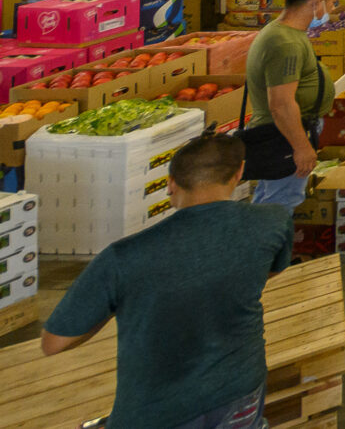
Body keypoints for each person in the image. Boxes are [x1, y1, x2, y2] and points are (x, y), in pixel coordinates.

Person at [40, 133, 293, 429]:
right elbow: (269, 271)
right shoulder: (273, 222)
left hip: (155, 413)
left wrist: (121, 302)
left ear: (171, 183)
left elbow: (54, 343)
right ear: (239, 173)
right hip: (240, 394)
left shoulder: (123, 257)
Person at [244, 0, 339, 206]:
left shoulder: (286, 33)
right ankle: (271, 242)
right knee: (280, 203)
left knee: (269, 200)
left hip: (284, 133)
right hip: (283, 137)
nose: (333, 9)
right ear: (316, 4)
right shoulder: (285, 43)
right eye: (332, 2)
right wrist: (302, 147)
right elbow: (281, 104)